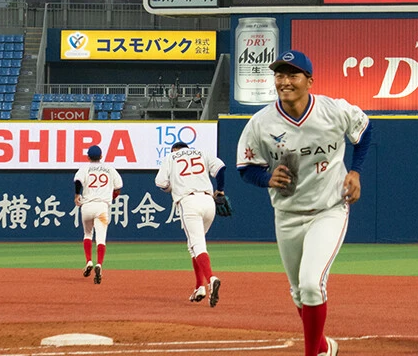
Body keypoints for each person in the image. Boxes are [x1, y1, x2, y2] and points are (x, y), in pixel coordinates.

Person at [236, 50, 372, 356]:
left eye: (293, 75)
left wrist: (355, 171)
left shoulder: (333, 110)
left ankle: (313, 353)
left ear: (309, 81)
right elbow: (246, 168)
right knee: (299, 291)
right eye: (280, 75)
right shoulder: (261, 123)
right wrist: (266, 178)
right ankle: (324, 346)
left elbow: (364, 130)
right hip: (286, 213)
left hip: (329, 209)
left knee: (312, 284)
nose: (285, 82)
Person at [155, 140, 227, 306]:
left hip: (189, 202)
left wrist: (171, 187)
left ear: (174, 149)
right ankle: (199, 287)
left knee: (198, 245)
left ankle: (211, 279)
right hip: (209, 202)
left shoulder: (171, 157)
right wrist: (221, 190)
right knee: (194, 245)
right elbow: (221, 168)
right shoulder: (202, 152)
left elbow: (161, 183)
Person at [73, 144, 122, 284]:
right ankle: (99, 264)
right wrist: (112, 196)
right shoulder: (109, 168)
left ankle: (88, 261)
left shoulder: (85, 168)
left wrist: (77, 195)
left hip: (87, 206)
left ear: (88, 156)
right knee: (101, 239)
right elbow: (118, 187)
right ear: (101, 156)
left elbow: (77, 181)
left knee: (87, 234)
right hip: (102, 207)